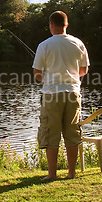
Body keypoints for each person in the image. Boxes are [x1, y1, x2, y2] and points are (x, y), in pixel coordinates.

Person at [33, 11, 89, 180]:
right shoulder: (78, 43)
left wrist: (46, 79)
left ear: (51, 24)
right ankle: (71, 173)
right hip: (73, 93)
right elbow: (84, 70)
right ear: (67, 24)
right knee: (72, 133)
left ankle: (52, 175)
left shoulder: (44, 45)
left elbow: (37, 73)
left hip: (51, 95)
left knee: (51, 133)